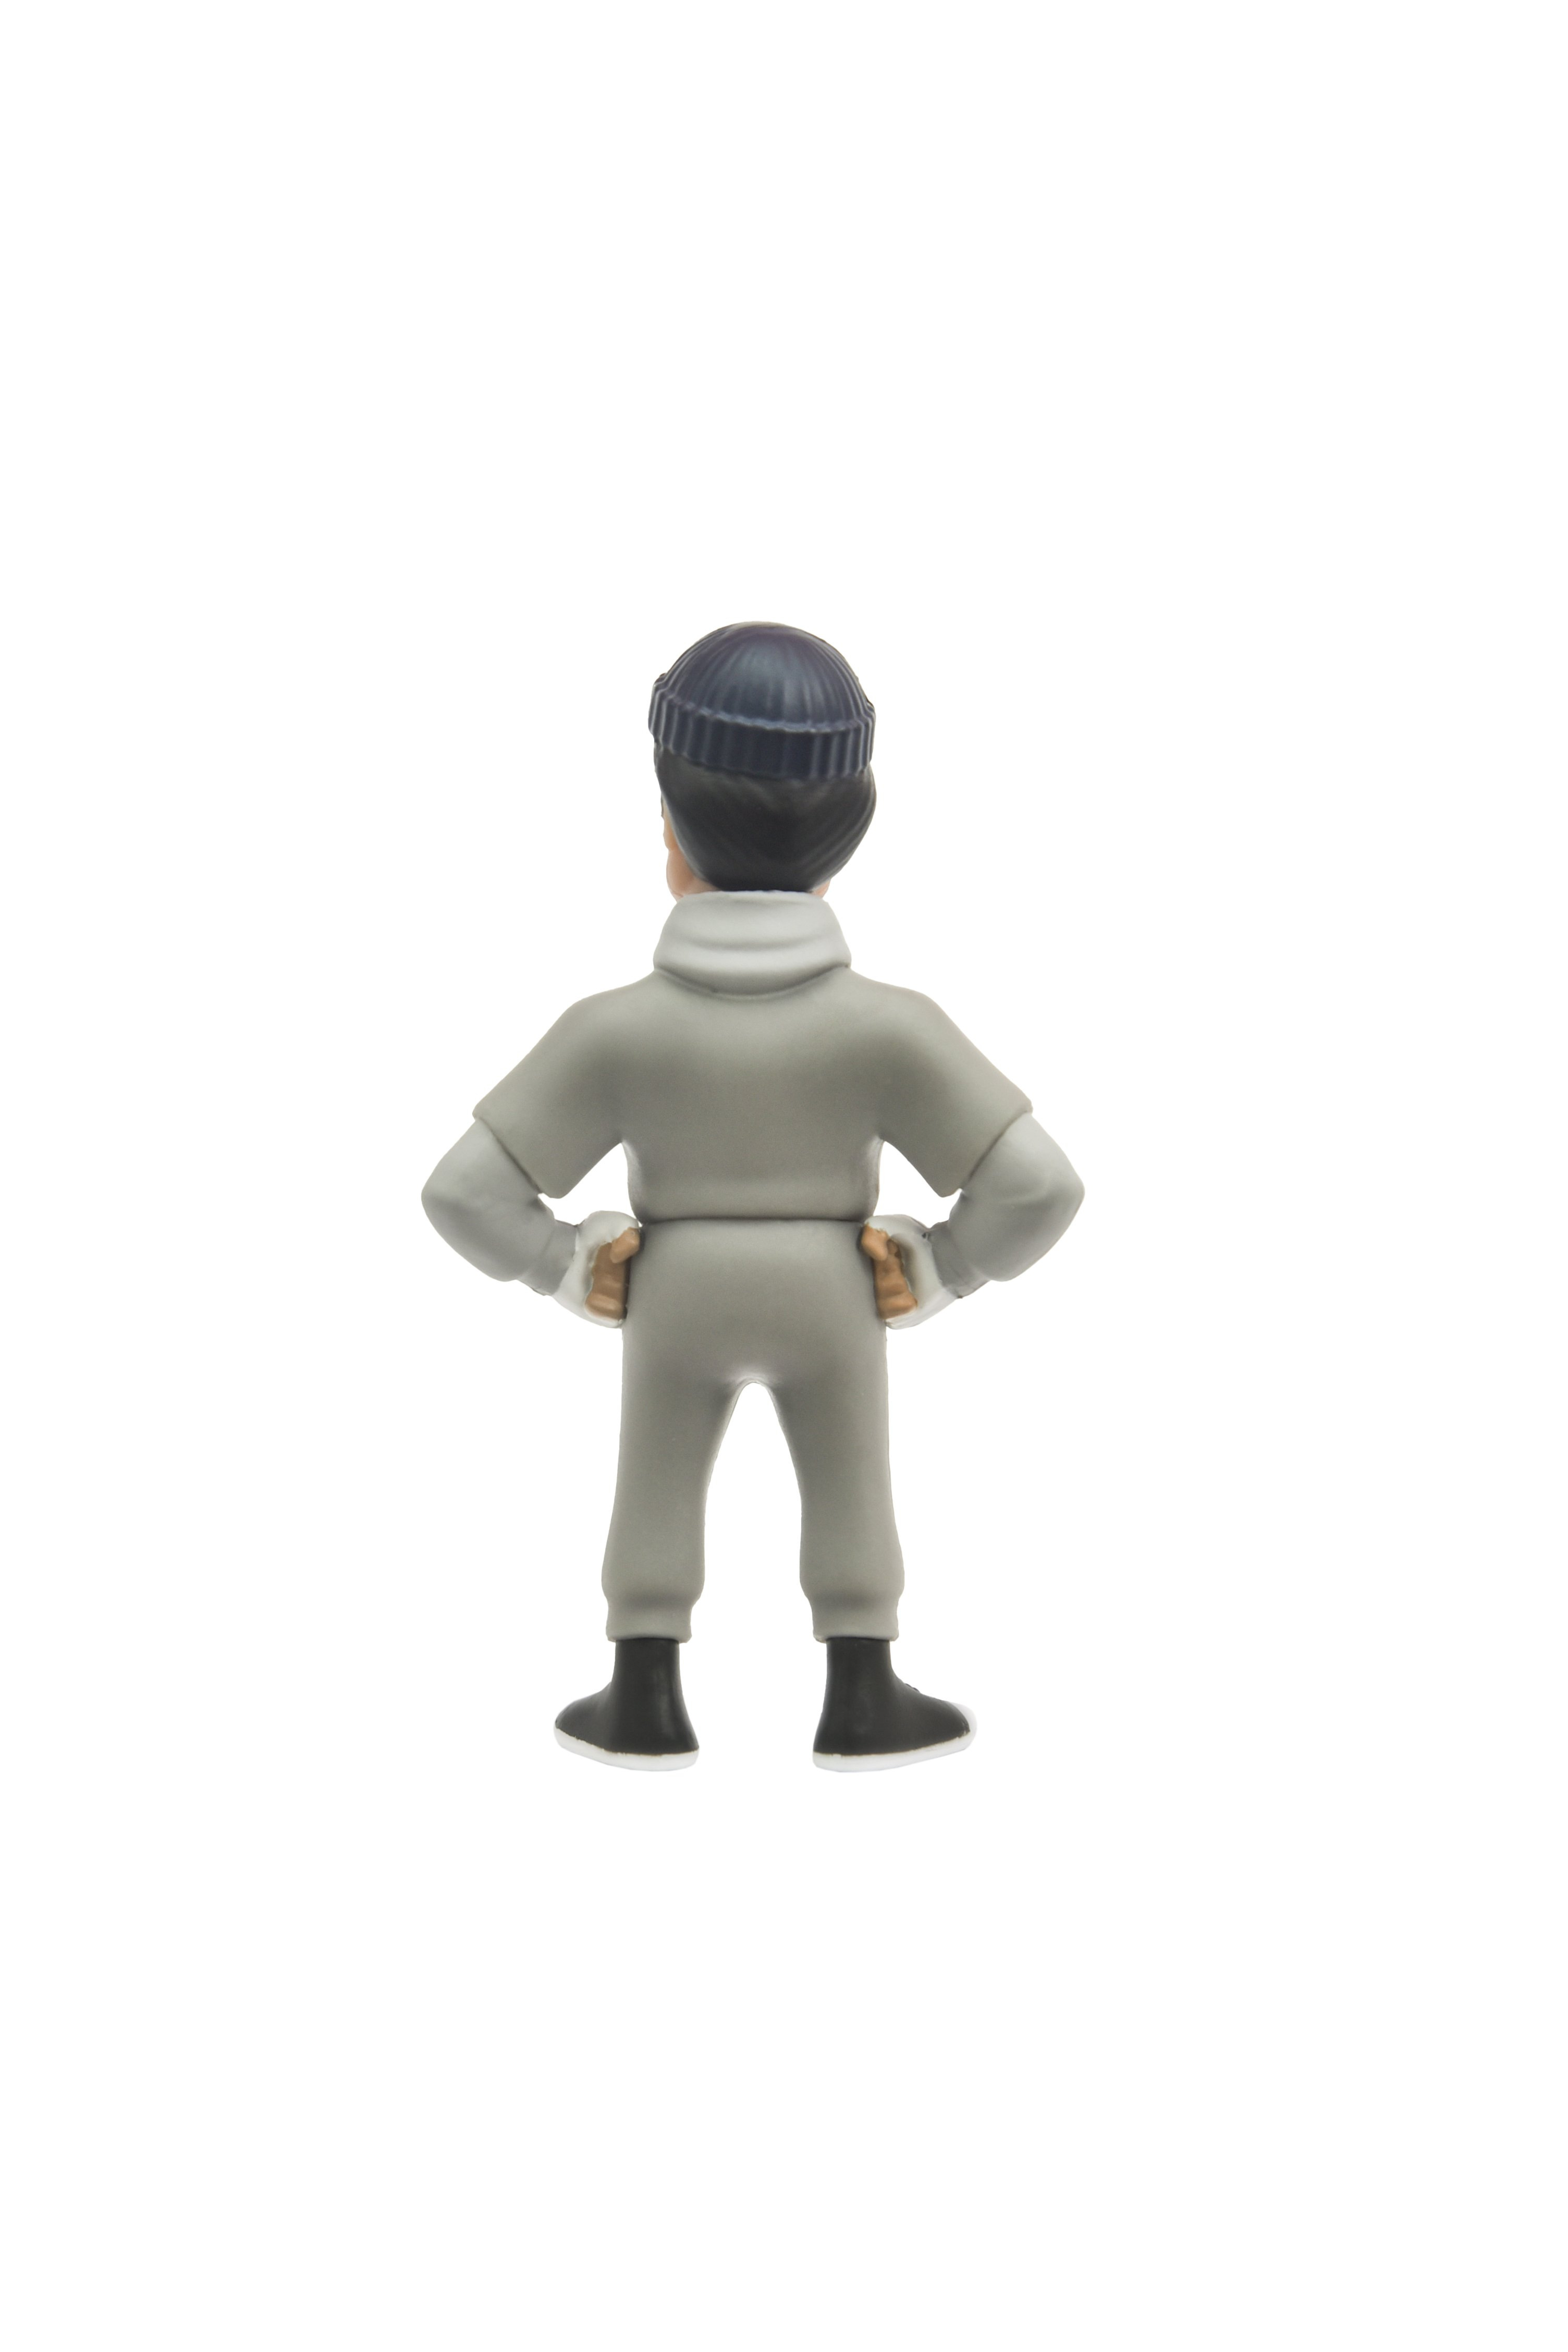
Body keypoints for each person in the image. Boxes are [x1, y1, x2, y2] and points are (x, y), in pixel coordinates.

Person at [422, 621, 1083, 1771]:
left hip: (673, 1293)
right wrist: (939, 1265)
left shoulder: (613, 1030)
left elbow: (465, 1191)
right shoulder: (890, 1028)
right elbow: (1038, 1185)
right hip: (833, 1295)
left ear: (669, 838)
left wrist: (565, 1263)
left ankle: (643, 1695)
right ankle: (863, 1695)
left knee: (654, 1477)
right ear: (848, 841)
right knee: (852, 1480)